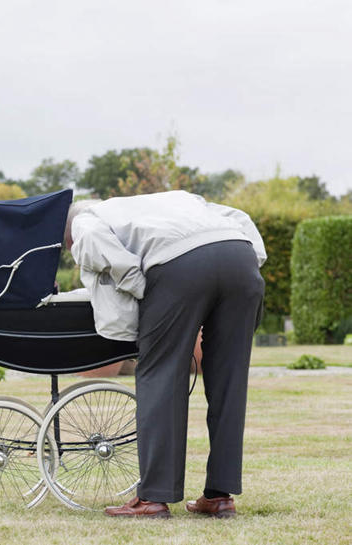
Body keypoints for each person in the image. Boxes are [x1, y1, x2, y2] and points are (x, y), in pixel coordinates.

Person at [64, 190, 266, 518]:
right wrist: (249, 262)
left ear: (68, 235)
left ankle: (153, 499)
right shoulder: (179, 199)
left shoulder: (87, 219)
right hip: (240, 258)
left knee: (160, 375)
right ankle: (219, 496)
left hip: (177, 268)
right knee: (230, 380)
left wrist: (139, 287)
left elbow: (96, 245)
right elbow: (239, 218)